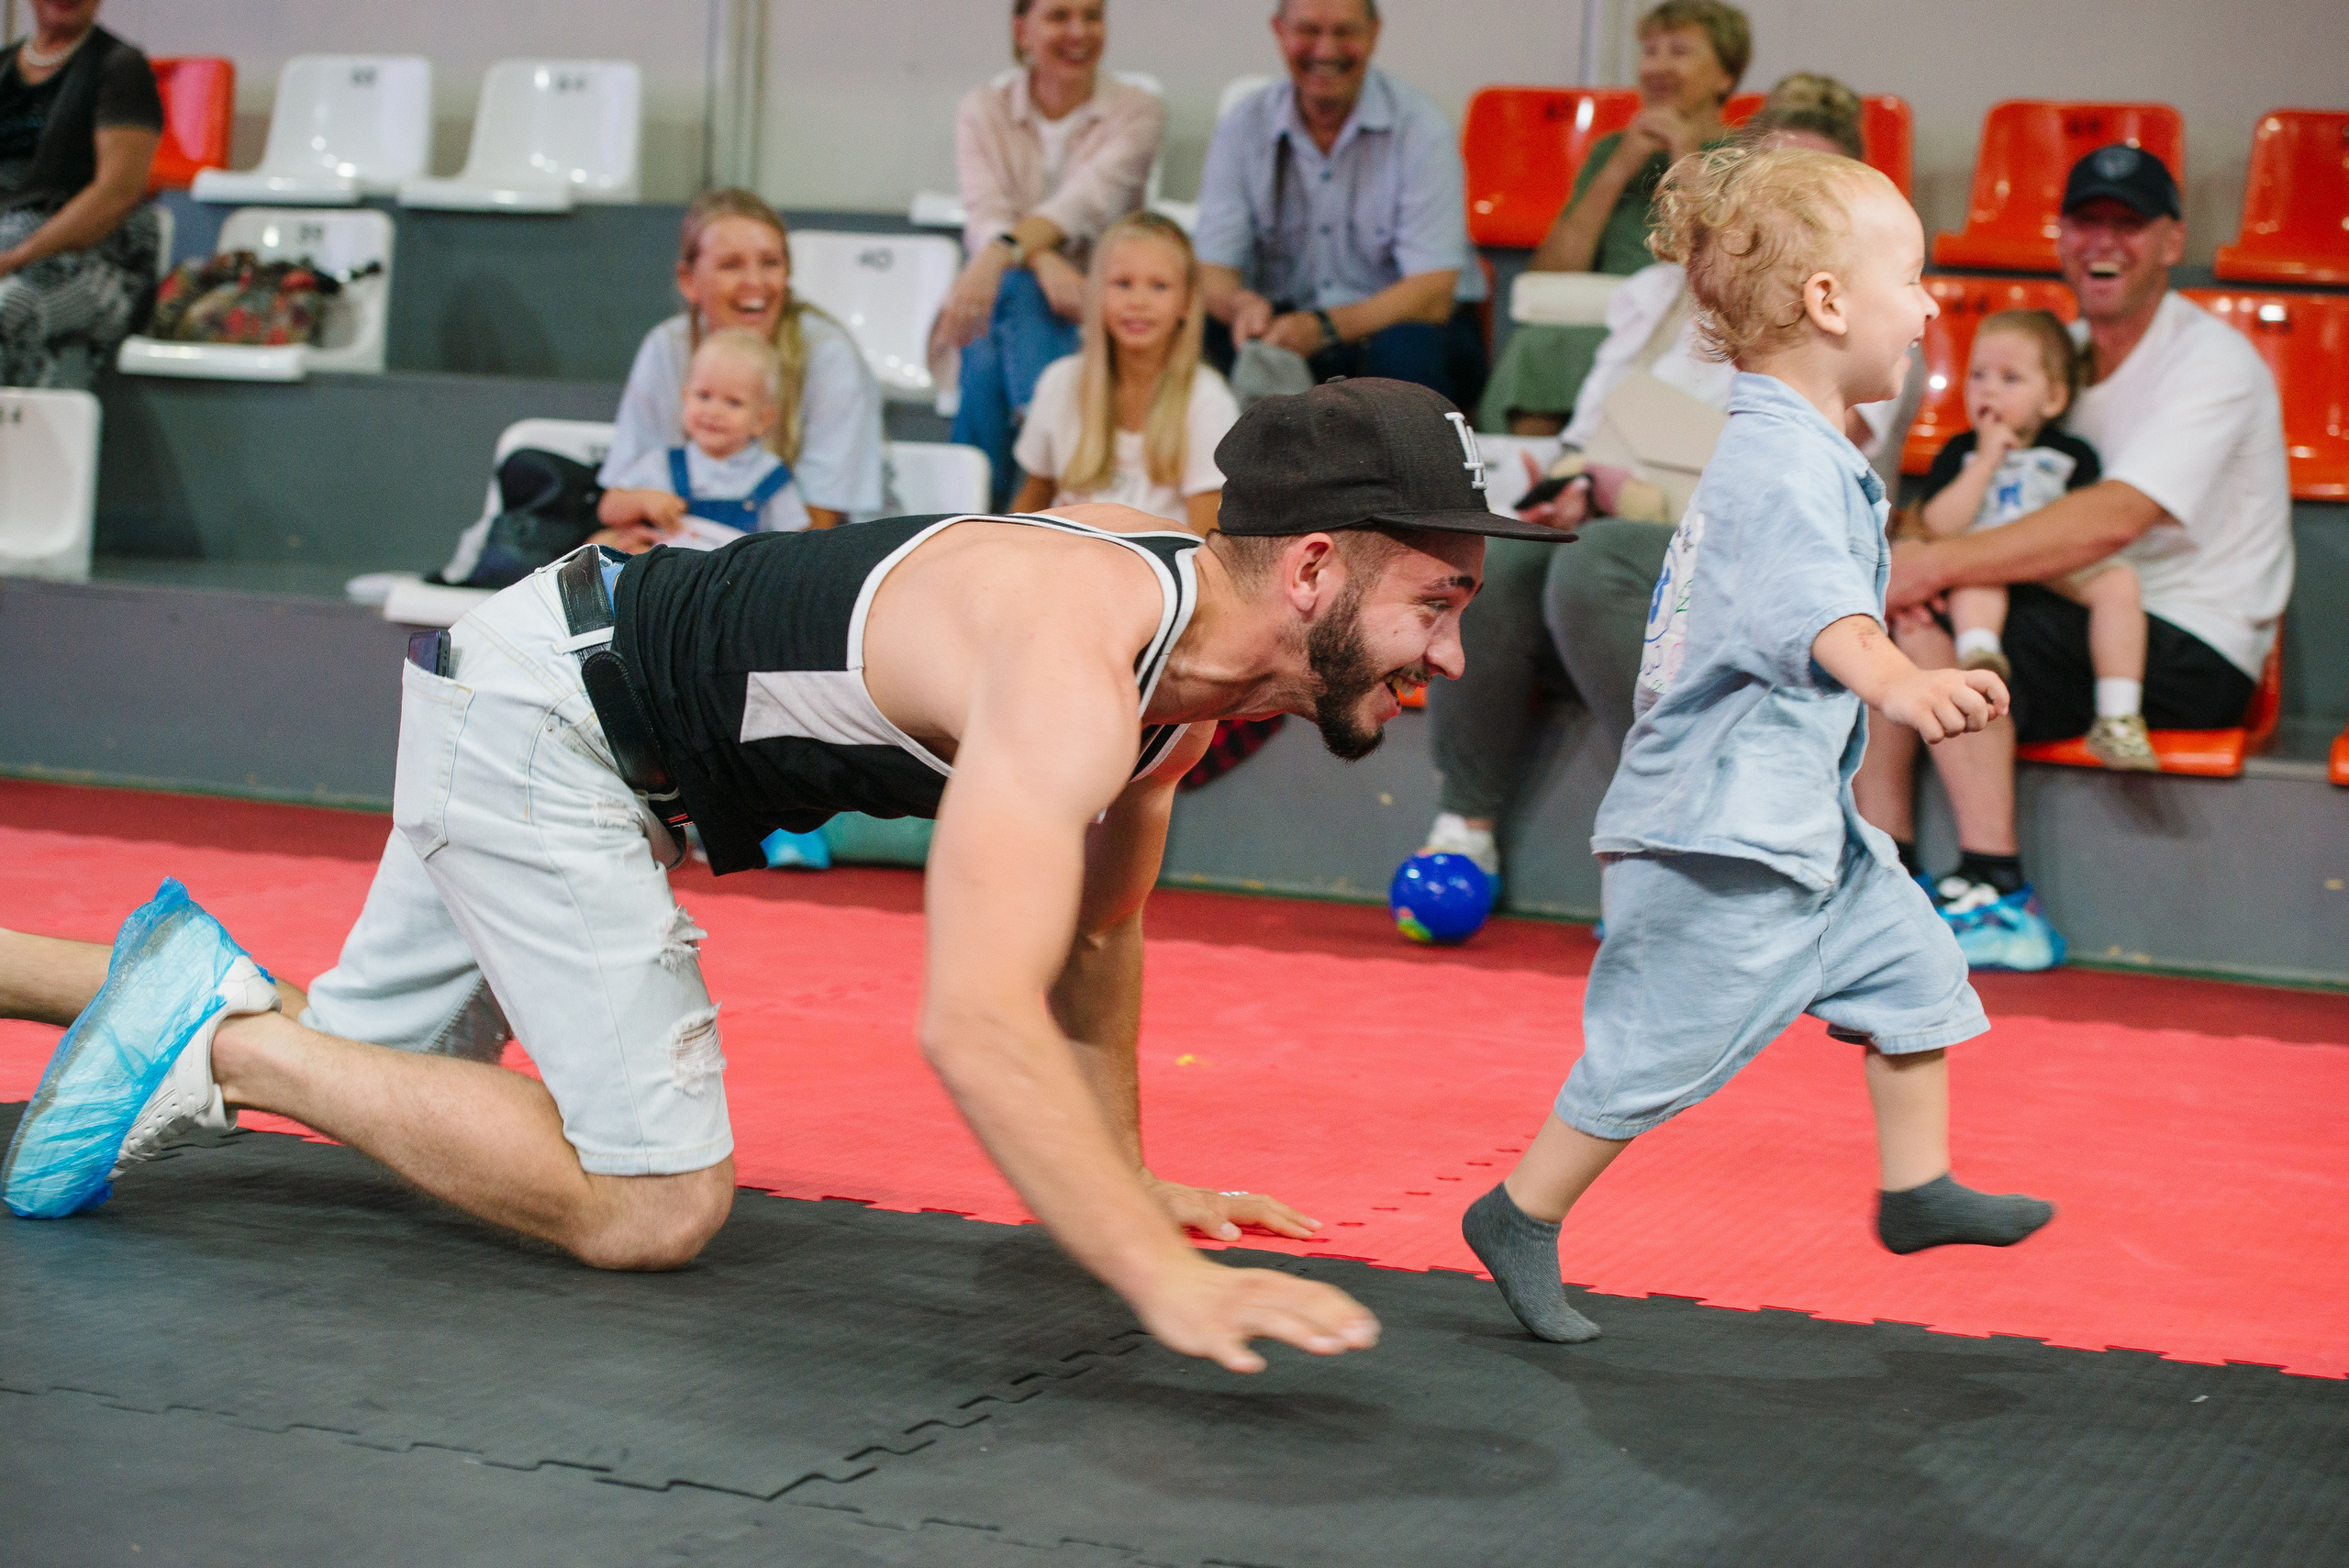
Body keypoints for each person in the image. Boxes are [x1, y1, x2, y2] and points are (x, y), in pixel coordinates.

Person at [0, 378, 1572, 1376]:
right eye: (1438, 600)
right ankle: (219, 1034)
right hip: (561, 724)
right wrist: (1151, 1273)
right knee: (653, 1201)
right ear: (1315, 567)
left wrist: (1134, 1169)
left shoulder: (1190, 671)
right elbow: (973, 1015)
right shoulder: (1075, 651)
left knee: (379, 1068)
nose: (1448, 649)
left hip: (552, 683)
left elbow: (1096, 943)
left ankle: (161, 1003)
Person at [1460, 144, 2054, 1346]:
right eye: (1916, 279)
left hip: (1799, 826)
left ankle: (1917, 1185)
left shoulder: (1815, 442)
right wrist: (1900, 680)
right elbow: (1810, 608)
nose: (1933, 305)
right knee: (1656, 1053)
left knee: (1916, 974)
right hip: (1713, 836)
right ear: (1830, 304)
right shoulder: (1777, 461)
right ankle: (1520, 1211)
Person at [1421, 81, 1910, 882]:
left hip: (1761, 559)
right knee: (1500, 558)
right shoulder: (1657, 295)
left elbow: (1814, 478)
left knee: (1597, 560)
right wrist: (1579, 479)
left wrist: (1644, 498)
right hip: (1634, 534)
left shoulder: (1856, 323)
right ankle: (1464, 820)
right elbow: (1585, 436)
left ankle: (1672, 810)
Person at [1864, 146, 2294, 970]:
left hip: (2187, 639)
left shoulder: (2213, 361)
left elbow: (2113, 520)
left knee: (1937, 621)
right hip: (2069, 602)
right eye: (2087, 221)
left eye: (2127, 224)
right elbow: (1984, 484)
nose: (2104, 241)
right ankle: (1886, 871)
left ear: (2172, 241)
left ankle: (1999, 886)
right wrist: (1922, 555)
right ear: (2061, 238)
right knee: (1901, 615)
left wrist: (1937, 562)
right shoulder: (2047, 356)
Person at [1193, 0, 1487, 410]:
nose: (1326, 51)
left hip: (1391, 330)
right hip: (1287, 327)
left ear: (1373, 34)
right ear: (1279, 31)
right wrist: (1240, 306)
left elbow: (1432, 293)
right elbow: (1211, 269)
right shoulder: (1243, 126)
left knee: (1409, 349)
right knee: (1187, 324)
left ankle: (1404, 471)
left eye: (1344, 32)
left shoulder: (1421, 130)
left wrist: (1324, 328)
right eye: (1309, 31)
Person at [1475, 0, 1748, 437]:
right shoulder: (1611, 151)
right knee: (1538, 345)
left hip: (1689, 334)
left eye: (1678, 51)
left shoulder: (1747, 159)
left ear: (1725, 75)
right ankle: (1524, 497)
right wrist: (1620, 166)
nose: (1657, 67)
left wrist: (1684, 159)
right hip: (1599, 320)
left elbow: (1734, 274)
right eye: (1649, 51)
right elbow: (1551, 274)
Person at [940, 0, 1163, 510]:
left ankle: (967, 518)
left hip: (1101, 298)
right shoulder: (983, 107)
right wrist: (1034, 260)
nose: (1079, 32)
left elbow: (1086, 204)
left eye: (1092, 16)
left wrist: (1003, 254)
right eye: (1060, 16)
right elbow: (984, 211)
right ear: (1022, 29)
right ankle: (1043, 481)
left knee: (989, 335)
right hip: (1012, 296)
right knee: (1009, 301)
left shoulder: (1138, 110)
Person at [1916, 309, 2152, 772]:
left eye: (2010, 378)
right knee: (1974, 574)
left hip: (2052, 570)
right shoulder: (1960, 452)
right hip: (1983, 572)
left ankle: (2119, 714)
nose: (1988, 389)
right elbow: (1940, 526)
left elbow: (2082, 528)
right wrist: (1984, 463)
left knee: (2119, 582)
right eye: (1978, 374)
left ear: (2054, 398)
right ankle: (1980, 654)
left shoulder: (2071, 455)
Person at [598, 189, 882, 550]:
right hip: (687, 546)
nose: (756, 283)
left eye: (770, 263)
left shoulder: (828, 352)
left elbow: (819, 523)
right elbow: (626, 495)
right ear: (688, 280)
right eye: (731, 265)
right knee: (603, 547)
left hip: (791, 550)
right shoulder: (666, 345)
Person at [1011, 211, 1237, 535]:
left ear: (1187, 302)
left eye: (1159, 286)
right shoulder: (1060, 381)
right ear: (1097, 292)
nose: (1138, 302)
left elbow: (1208, 543)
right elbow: (1028, 507)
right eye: (1122, 284)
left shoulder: (1208, 399)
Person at [0, 0, 161, 389]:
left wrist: (17, 257)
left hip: (92, 258)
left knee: (10, 307)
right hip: (8, 244)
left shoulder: (121, 67)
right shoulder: (5, 64)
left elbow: (117, 193)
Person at [596, 329, 805, 551]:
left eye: (733, 402)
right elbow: (608, 509)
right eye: (703, 396)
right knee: (605, 542)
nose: (713, 412)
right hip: (670, 575)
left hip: (735, 581)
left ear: (762, 419)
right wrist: (645, 501)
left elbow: (794, 545)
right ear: (686, 397)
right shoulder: (666, 463)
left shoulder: (769, 474)